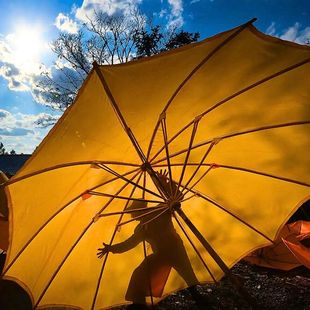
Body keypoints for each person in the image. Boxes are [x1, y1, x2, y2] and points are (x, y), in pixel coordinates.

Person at [97, 171, 205, 309]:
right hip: (161, 256)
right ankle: (139, 305)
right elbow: (129, 244)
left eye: (132, 212)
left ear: (139, 210)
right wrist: (111, 248)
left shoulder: (159, 210)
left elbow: (177, 197)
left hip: (176, 250)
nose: (131, 216)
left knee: (191, 281)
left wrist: (165, 183)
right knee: (139, 275)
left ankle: (202, 302)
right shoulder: (142, 228)